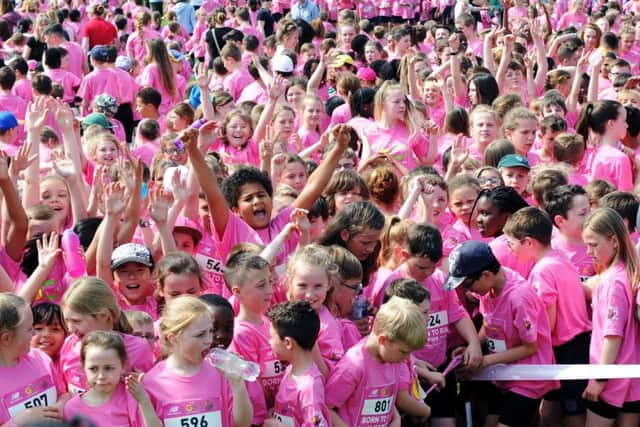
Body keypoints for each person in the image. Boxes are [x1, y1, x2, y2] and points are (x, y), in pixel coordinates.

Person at [444, 240, 559, 427]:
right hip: (503, 374)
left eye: (467, 284)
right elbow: (488, 323)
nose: (466, 290)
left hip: (527, 378)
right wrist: (471, 348)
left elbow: (531, 347)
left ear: (486, 274)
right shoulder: (489, 289)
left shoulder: (518, 297)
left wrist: (485, 361)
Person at [503, 207, 592, 426]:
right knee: (560, 404)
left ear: (528, 242)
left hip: (563, 348)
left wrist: (528, 345)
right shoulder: (560, 257)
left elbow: (546, 321)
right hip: (579, 342)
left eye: (511, 243)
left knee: (573, 409)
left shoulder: (542, 270)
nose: (510, 249)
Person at [143, 295, 253, 427]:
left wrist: (238, 386)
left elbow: (244, 424)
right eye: (200, 335)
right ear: (173, 338)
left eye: (210, 331)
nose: (209, 340)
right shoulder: (152, 381)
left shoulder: (221, 372)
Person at [325, 296, 428, 427]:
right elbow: (327, 408)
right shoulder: (353, 367)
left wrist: (395, 419)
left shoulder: (394, 359)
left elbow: (386, 397)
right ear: (383, 341)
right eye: (403, 351)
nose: (407, 358)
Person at [581, 208, 640, 426]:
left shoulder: (613, 281)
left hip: (612, 381)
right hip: (632, 380)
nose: (588, 251)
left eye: (594, 244)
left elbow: (613, 335)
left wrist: (599, 379)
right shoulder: (627, 271)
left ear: (614, 241)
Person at [62, 331, 161, 427]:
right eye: (93, 369)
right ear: (84, 367)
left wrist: (143, 401)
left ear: (123, 366)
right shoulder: (72, 408)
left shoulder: (132, 398)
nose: (101, 376)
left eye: (108, 368)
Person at [0, 293, 66, 426]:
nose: (34, 335)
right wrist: (19, 421)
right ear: (6, 338)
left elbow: (64, 394)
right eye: (30, 329)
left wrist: (60, 406)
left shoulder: (41, 358)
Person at [264, 300, 331, 427]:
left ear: (288, 343)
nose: (269, 342)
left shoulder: (309, 387)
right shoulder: (290, 369)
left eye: (272, 337)